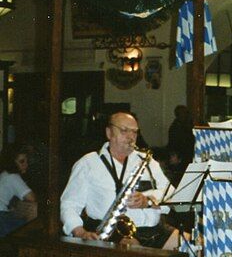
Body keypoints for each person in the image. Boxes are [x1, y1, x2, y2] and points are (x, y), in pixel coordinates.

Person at [60, 112, 181, 249]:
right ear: (109, 133)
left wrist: (148, 201)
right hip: (114, 233)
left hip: (153, 230)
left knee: (195, 245)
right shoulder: (88, 163)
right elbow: (69, 204)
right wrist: (80, 232)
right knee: (138, 252)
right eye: (124, 131)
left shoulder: (147, 161)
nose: (130, 137)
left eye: (134, 132)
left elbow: (172, 195)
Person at [0, 144, 36, 236]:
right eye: (22, 161)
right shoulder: (13, 177)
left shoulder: (4, 174)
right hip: (1, 217)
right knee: (30, 225)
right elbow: (31, 198)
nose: (26, 164)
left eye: (27, 161)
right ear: (12, 162)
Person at [167, 105, 195, 170]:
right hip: (180, 155)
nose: (185, 115)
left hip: (187, 153)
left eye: (186, 113)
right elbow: (174, 144)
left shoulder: (188, 125)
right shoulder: (175, 127)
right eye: (183, 113)